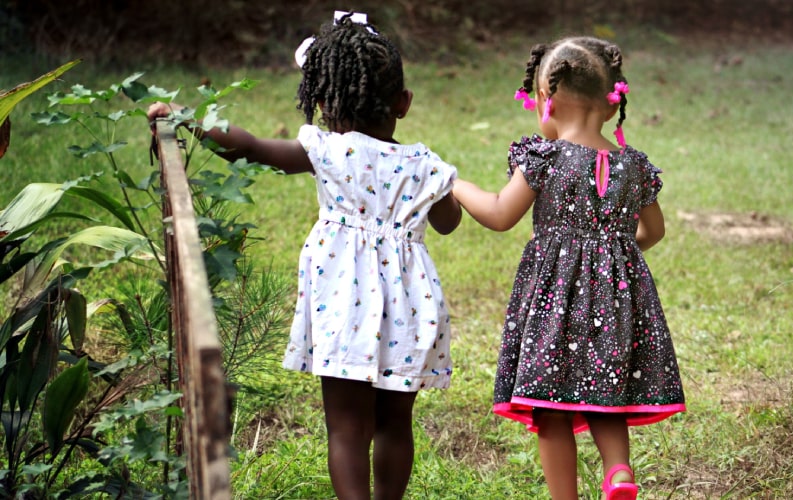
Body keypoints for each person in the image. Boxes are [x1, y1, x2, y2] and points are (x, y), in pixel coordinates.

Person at [148, 12, 462, 500]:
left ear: (321, 103)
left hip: (342, 304)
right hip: (409, 307)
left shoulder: (327, 151)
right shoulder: (424, 165)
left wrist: (188, 118)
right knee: (396, 424)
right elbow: (449, 221)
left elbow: (248, 148)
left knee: (346, 427)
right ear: (403, 104)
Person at [452, 36, 685, 500]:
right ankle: (619, 471)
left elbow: (500, 214)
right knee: (605, 391)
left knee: (551, 408)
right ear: (610, 100)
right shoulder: (634, 166)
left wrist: (455, 185)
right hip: (617, 301)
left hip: (554, 304)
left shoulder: (545, 157)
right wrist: (614, 254)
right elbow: (653, 232)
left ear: (546, 100)